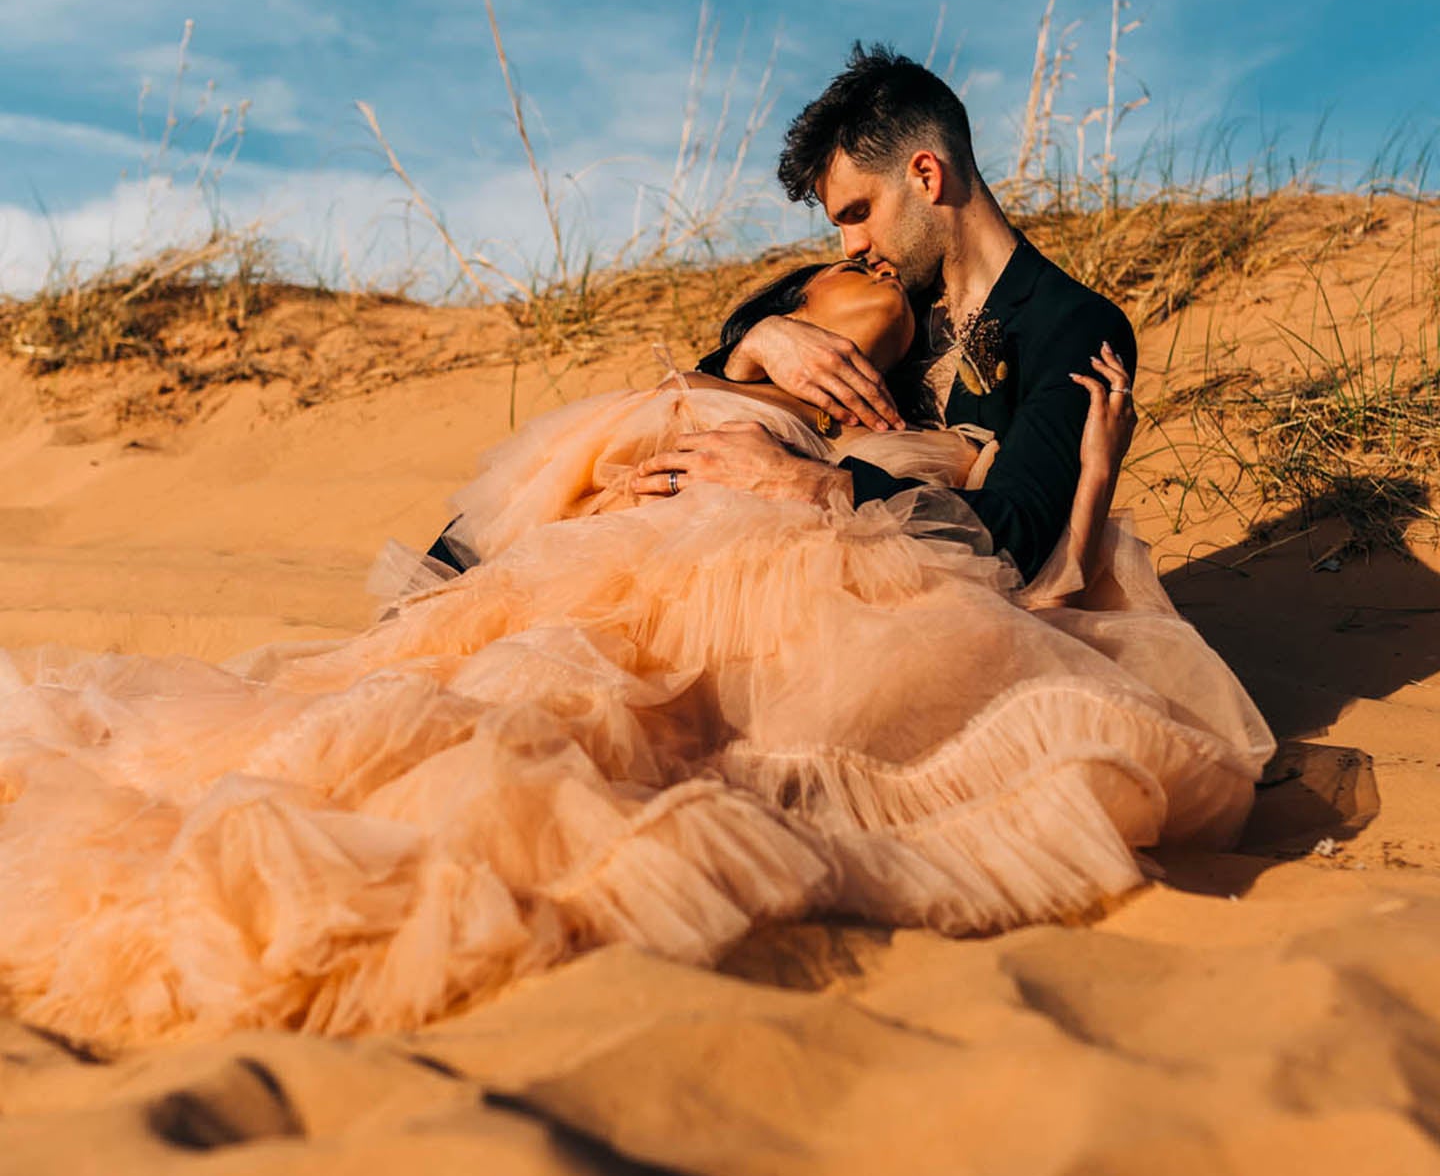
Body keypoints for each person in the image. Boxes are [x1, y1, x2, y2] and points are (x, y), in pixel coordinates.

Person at [0, 245, 1270, 1049]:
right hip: (626, 539)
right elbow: (525, 504)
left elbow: (1031, 586)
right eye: (833, 265)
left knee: (622, 747)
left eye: (871, 253)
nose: (866, 266)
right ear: (782, 301)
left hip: (770, 565)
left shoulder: (916, 436)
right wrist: (743, 351)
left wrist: (1087, 473)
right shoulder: (722, 367)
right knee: (466, 704)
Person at [676, 41, 1139, 585]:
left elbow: (1018, 531)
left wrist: (806, 483)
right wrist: (759, 343)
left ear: (925, 174)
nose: (850, 245)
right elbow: (689, 409)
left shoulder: (1072, 325)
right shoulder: (883, 304)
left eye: (859, 212)